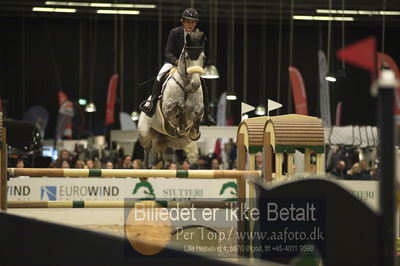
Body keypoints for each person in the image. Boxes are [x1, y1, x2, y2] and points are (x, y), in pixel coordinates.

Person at [139, 8, 216, 126]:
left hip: (191, 66)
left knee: (202, 82)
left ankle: (207, 113)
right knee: (160, 76)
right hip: (173, 63)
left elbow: (201, 55)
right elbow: (167, 52)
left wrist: (198, 65)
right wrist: (176, 62)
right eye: (188, 21)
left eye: (193, 22)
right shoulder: (174, 32)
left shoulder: (199, 35)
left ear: (196, 23)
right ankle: (152, 103)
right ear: (182, 21)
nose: (190, 24)